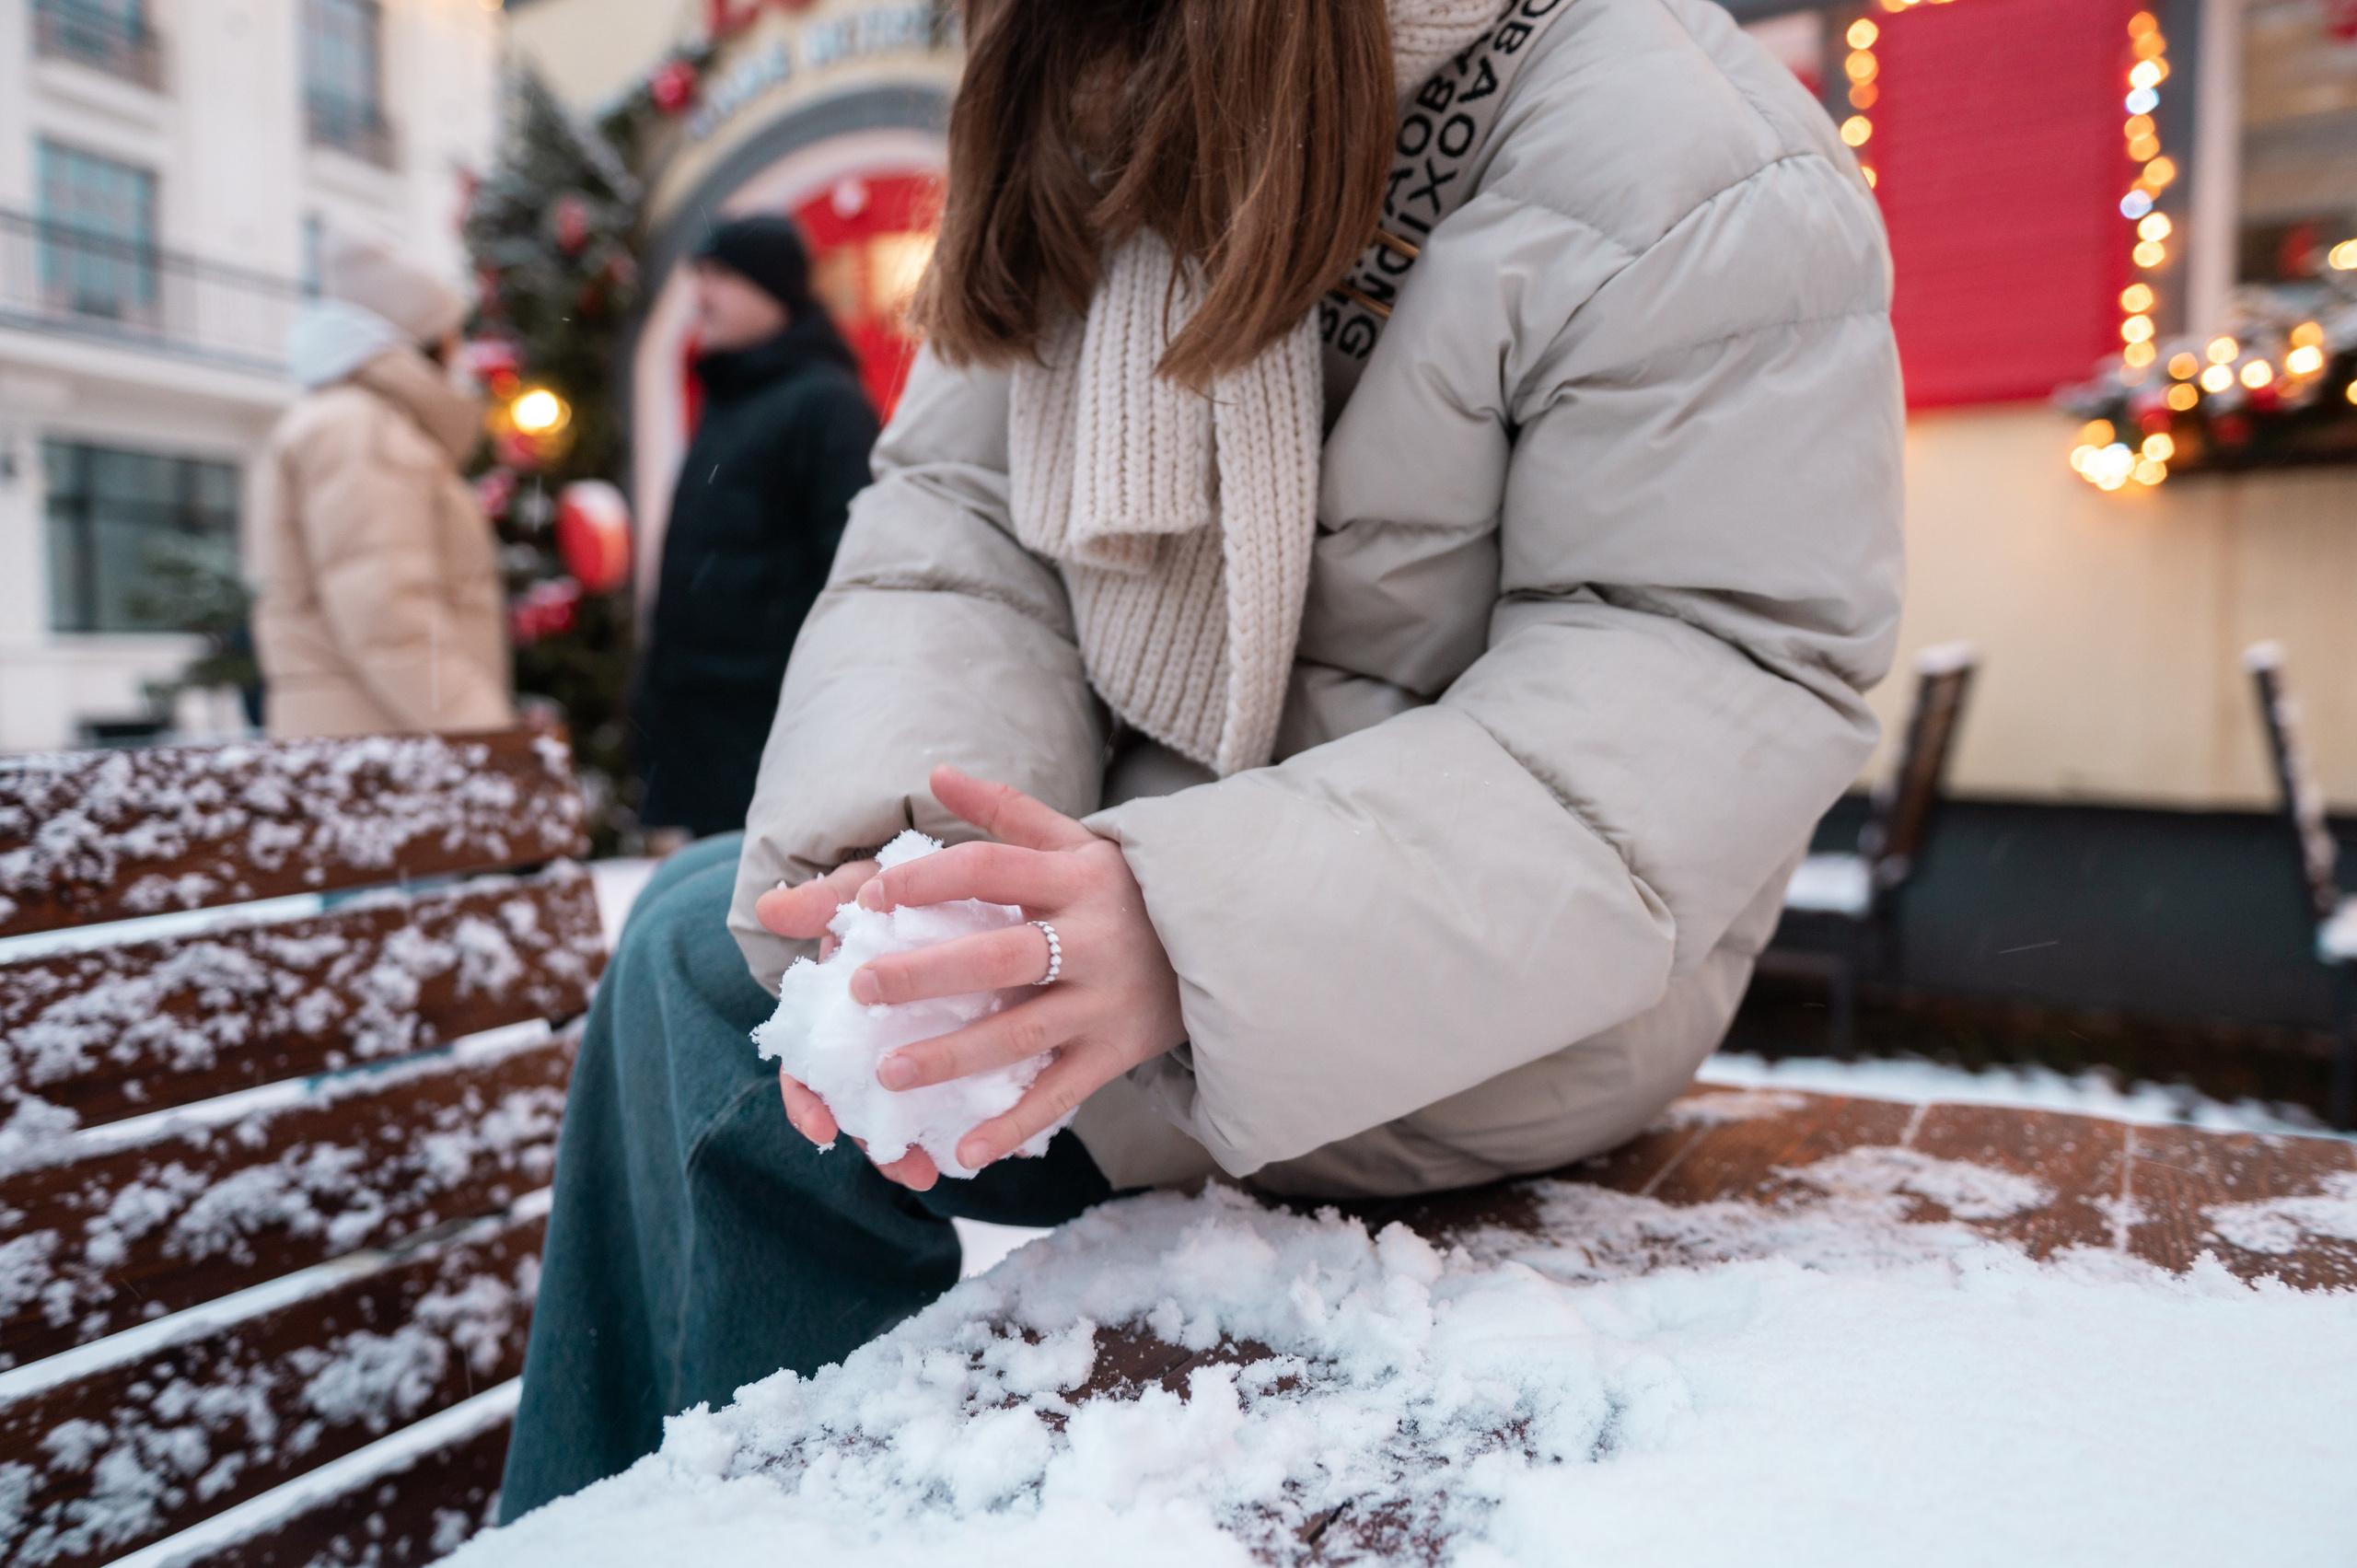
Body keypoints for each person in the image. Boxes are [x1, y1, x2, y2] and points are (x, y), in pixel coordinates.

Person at [501, 0, 1902, 1517]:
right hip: (1152, 890)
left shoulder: (1690, 159)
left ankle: (754, 1527)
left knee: (705, 990)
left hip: (1482, 1005)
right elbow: (961, 532)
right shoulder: (1096, 89)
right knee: (741, 968)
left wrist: (1192, 930)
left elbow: (1690, 679)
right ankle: (685, 1526)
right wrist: (914, 866)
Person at [633, 216, 880, 840]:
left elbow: (853, 570)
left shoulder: (827, 404)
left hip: (773, 732)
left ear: (771, 288)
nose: (701, 296)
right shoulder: (731, 394)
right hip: (707, 726)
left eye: (719, 276)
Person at [248, 234, 514, 738]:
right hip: (382, 747)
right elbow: (388, 618)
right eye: (451, 332)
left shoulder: (354, 422)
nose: (460, 349)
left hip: (374, 737)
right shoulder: (358, 429)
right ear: (422, 340)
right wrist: (485, 734)